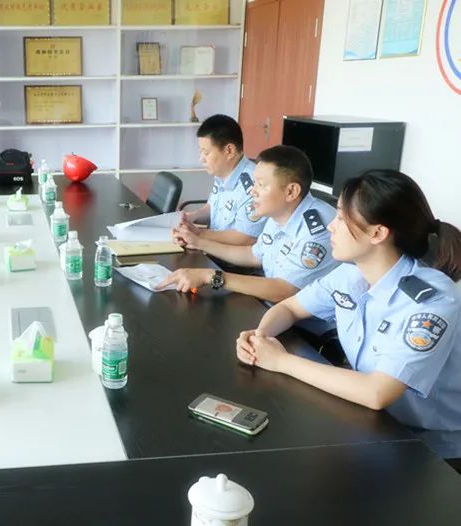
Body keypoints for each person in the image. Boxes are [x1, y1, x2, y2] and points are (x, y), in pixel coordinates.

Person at [235, 170, 461, 458]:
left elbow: (377, 392)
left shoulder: (431, 300)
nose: (331, 225)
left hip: (430, 448)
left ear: (378, 233)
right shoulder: (350, 274)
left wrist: (280, 361)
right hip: (373, 424)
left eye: (342, 218)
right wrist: (260, 338)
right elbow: (289, 308)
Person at [157, 145, 338, 303]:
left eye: (261, 185)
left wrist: (210, 276)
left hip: (304, 326)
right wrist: (198, 242)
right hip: (271, 305)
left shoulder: (318, 230)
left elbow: (283, 290)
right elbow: (254, 255)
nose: (253, 191)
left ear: (291, 191)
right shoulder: (281, 211)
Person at [176, 114, 265, 246]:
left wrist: (198, 234)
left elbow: (246, 238)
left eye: (206, 153)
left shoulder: (254, 185)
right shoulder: (222, 172)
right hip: (211, 247)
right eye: (200, 152)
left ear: (229, 151)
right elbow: (213, 208)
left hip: (230, 256)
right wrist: (191, 217)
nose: (201, 159)